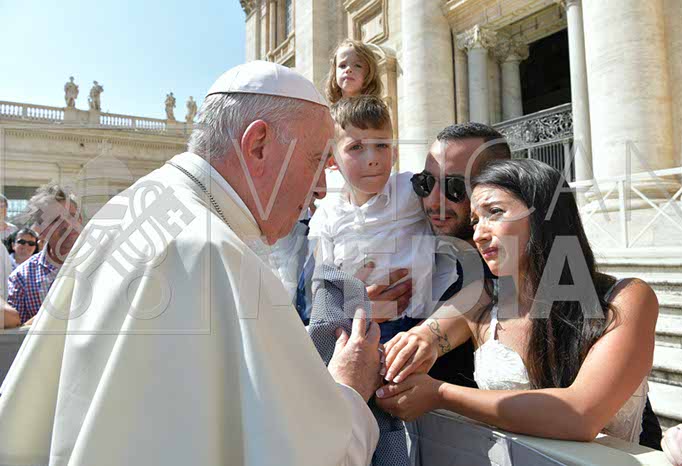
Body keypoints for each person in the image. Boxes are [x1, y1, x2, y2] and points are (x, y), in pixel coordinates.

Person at [0, 61, 384, 466]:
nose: (321, 188)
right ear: (258, 145)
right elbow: (308, 454)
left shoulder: (125, 209)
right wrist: (349, 391)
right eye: (316, 160)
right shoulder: (216, 254)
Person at [377, 158, 659, 445]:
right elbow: (423, 338)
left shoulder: (626, 298)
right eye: (475, 220)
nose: (478, 234)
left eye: (494, 212)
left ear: (544, 214)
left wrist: (440, 394)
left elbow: (580, 416)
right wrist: (412, 345)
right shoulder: (483, 299)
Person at [310, 96, 456, 342]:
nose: (373, 158)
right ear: (332, 160)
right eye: (356, 147)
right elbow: (322, 285)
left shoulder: (411, 190)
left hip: (425, 323)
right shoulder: (328, 214)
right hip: (360, 330)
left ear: (394, 153)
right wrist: (350, 311)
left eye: (381, 145)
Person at [410, 123, 510, 389]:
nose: (433, 201)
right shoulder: (412, 250)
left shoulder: (514, 277)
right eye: (425, 183)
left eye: (454, 187)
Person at [5, 185, 83, 324]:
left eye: (71, 216)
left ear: (80, 219)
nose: (67, 225)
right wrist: (44, 320)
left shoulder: (104, 263)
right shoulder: (22, 278)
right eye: (55, 220)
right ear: (41, 230)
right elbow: (17, 333)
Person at [325, 39, 383, 105]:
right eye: (342, 66)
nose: (348, 69)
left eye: (357, 65)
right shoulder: (328, 110)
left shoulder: (374, 110)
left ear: (369, 73)